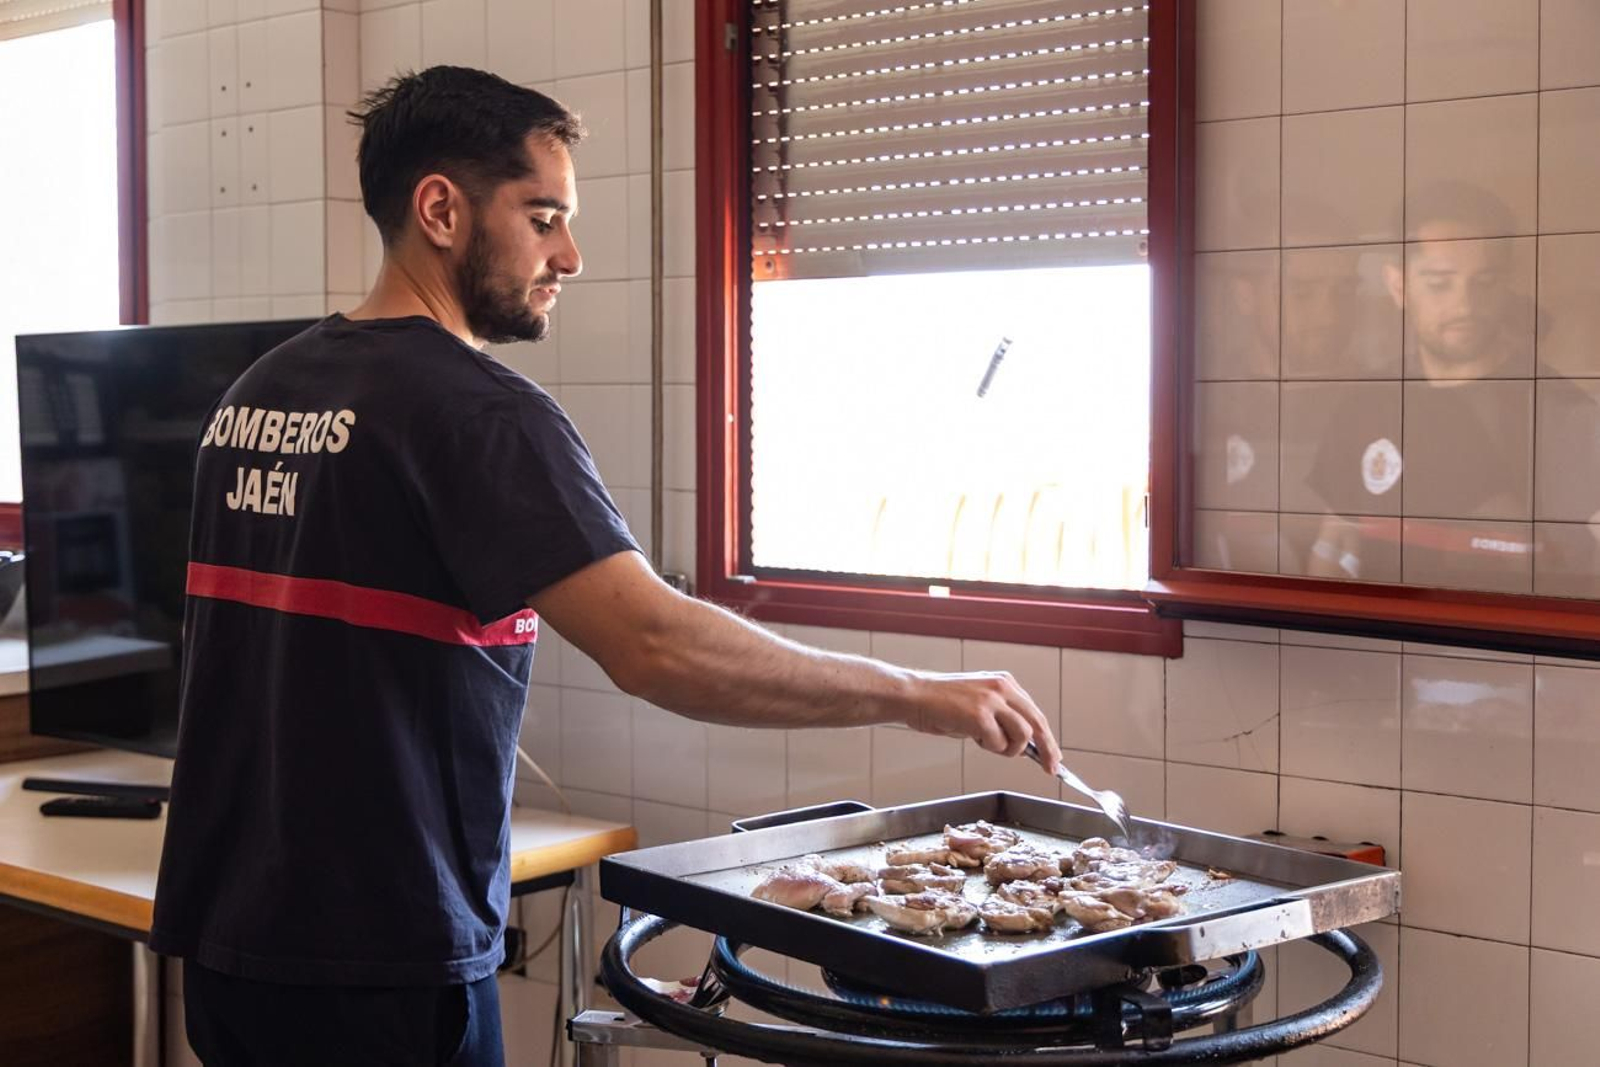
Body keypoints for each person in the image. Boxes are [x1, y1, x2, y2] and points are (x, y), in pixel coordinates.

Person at [148, 66, 1063, 1066]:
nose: (570, 255)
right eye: (542, 217)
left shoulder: (256, 393)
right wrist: (914, 691)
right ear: (442, 209)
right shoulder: (478, 414)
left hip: (234, 952)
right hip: (377, 963)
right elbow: (656, 644)